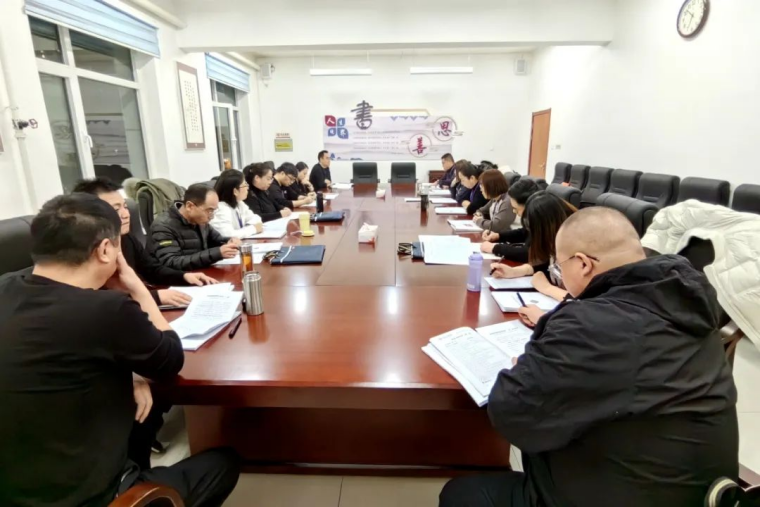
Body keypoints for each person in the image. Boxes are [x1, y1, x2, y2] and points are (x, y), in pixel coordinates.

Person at [439, 206, 738, 507]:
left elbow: (511, 412)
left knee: (461, 494)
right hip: (688, 487)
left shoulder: (590, 323)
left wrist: (527, 366)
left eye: (560, 266)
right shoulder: (679, 301)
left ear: (582, 264)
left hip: (624, 492)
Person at [0, 194, 240, 507]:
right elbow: (170, 360)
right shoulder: (106, 308)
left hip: (15, 483)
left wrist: (128, 375)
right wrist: (137, 290)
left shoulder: (5, 285)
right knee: (223, 463)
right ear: (105, 250)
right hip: (86, 496)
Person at [73, 177, 218, 308]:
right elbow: (93, 302)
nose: (126, 214)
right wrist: (154, 297)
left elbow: (151, 269)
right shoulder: (81, 252)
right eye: (116, 209)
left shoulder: (126, 238)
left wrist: (183, 276)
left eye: (125, 207)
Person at [489, 191, 576, 283]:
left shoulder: (574, 246)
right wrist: (515, 271)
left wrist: (547, 288)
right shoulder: (556, 237)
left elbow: (579, 290)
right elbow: (548, 266)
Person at [149, 184, 241, 270]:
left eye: (213, 211)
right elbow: (171, 262)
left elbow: (217, 239)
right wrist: (216, 253)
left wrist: (229, 241)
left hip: (200, 271)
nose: (211, 216)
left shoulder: (200, 221)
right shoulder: (163, 226)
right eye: (209, 210)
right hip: (179, 277)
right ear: (190, 206)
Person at [479, 178, 543, 262]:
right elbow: (525, 232)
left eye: (516, 209)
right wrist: (499, 236)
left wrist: (495, 248)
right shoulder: (535, 217)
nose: (514, 212)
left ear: (529, 204)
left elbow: (529, 253)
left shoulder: (544, 221)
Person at [210, 170, 264, 238]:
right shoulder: (221, 209)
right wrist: (253, 229)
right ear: (235, 191)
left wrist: (246, 229)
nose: (247, 188)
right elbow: (228, 235)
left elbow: (256, 218)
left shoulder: (239, 203)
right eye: (244, 185)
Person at [473, 170, 515, 235]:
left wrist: (478, 220)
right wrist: (478, 214)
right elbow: (481, 210)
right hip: (498, 235)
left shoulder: (508, 201)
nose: (480, 189)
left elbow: (496, 226)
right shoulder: (495, 198)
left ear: (491, 186)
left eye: (482, 186)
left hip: (510, 238)